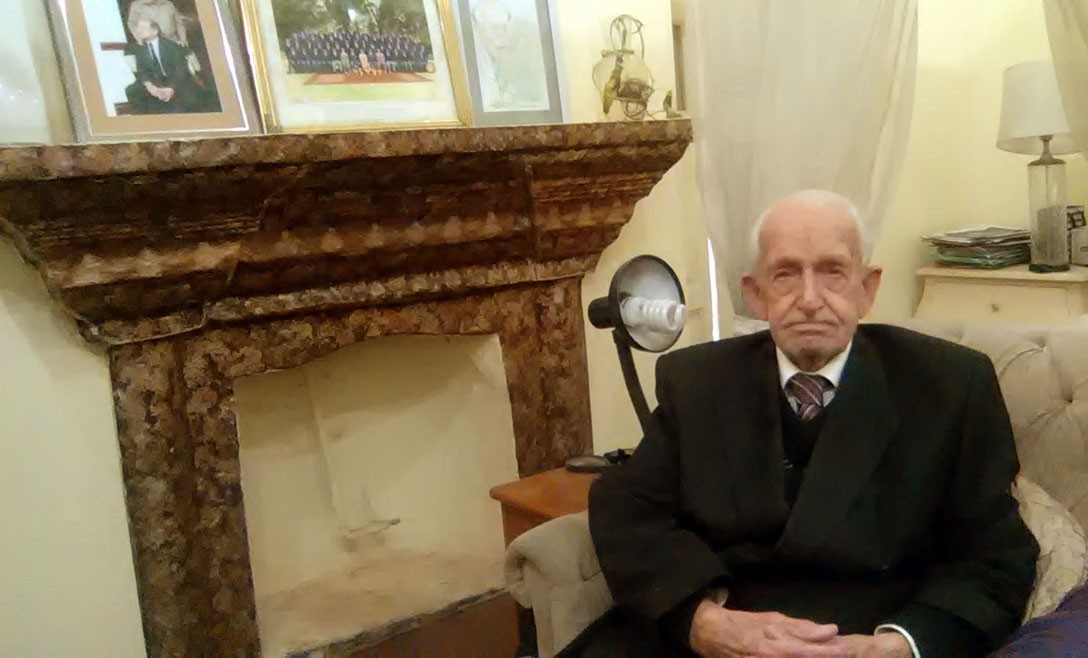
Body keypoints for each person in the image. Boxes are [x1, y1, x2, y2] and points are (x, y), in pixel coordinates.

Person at [565, 190, 1039, 657]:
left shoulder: (951, 384)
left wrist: (900, 645)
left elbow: (995, 554)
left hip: (861, 635)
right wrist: (703, 620)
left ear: (867, 288)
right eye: (786, 274)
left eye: (833, 272)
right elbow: (628, 508)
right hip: (725, 633)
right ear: (755, 294)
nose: (810, 300)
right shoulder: (698, 382)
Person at [124, 18, 199, 114]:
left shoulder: (172, 46)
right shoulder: (140, 50)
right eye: (138, 28)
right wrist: (150, 87)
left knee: (187, 97)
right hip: (155, 82)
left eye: (143, 27)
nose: (138, 30)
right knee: (132, 90)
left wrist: (171, 88)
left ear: (155, 31)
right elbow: (141, 71)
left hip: (175, 80)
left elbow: (180, 69)